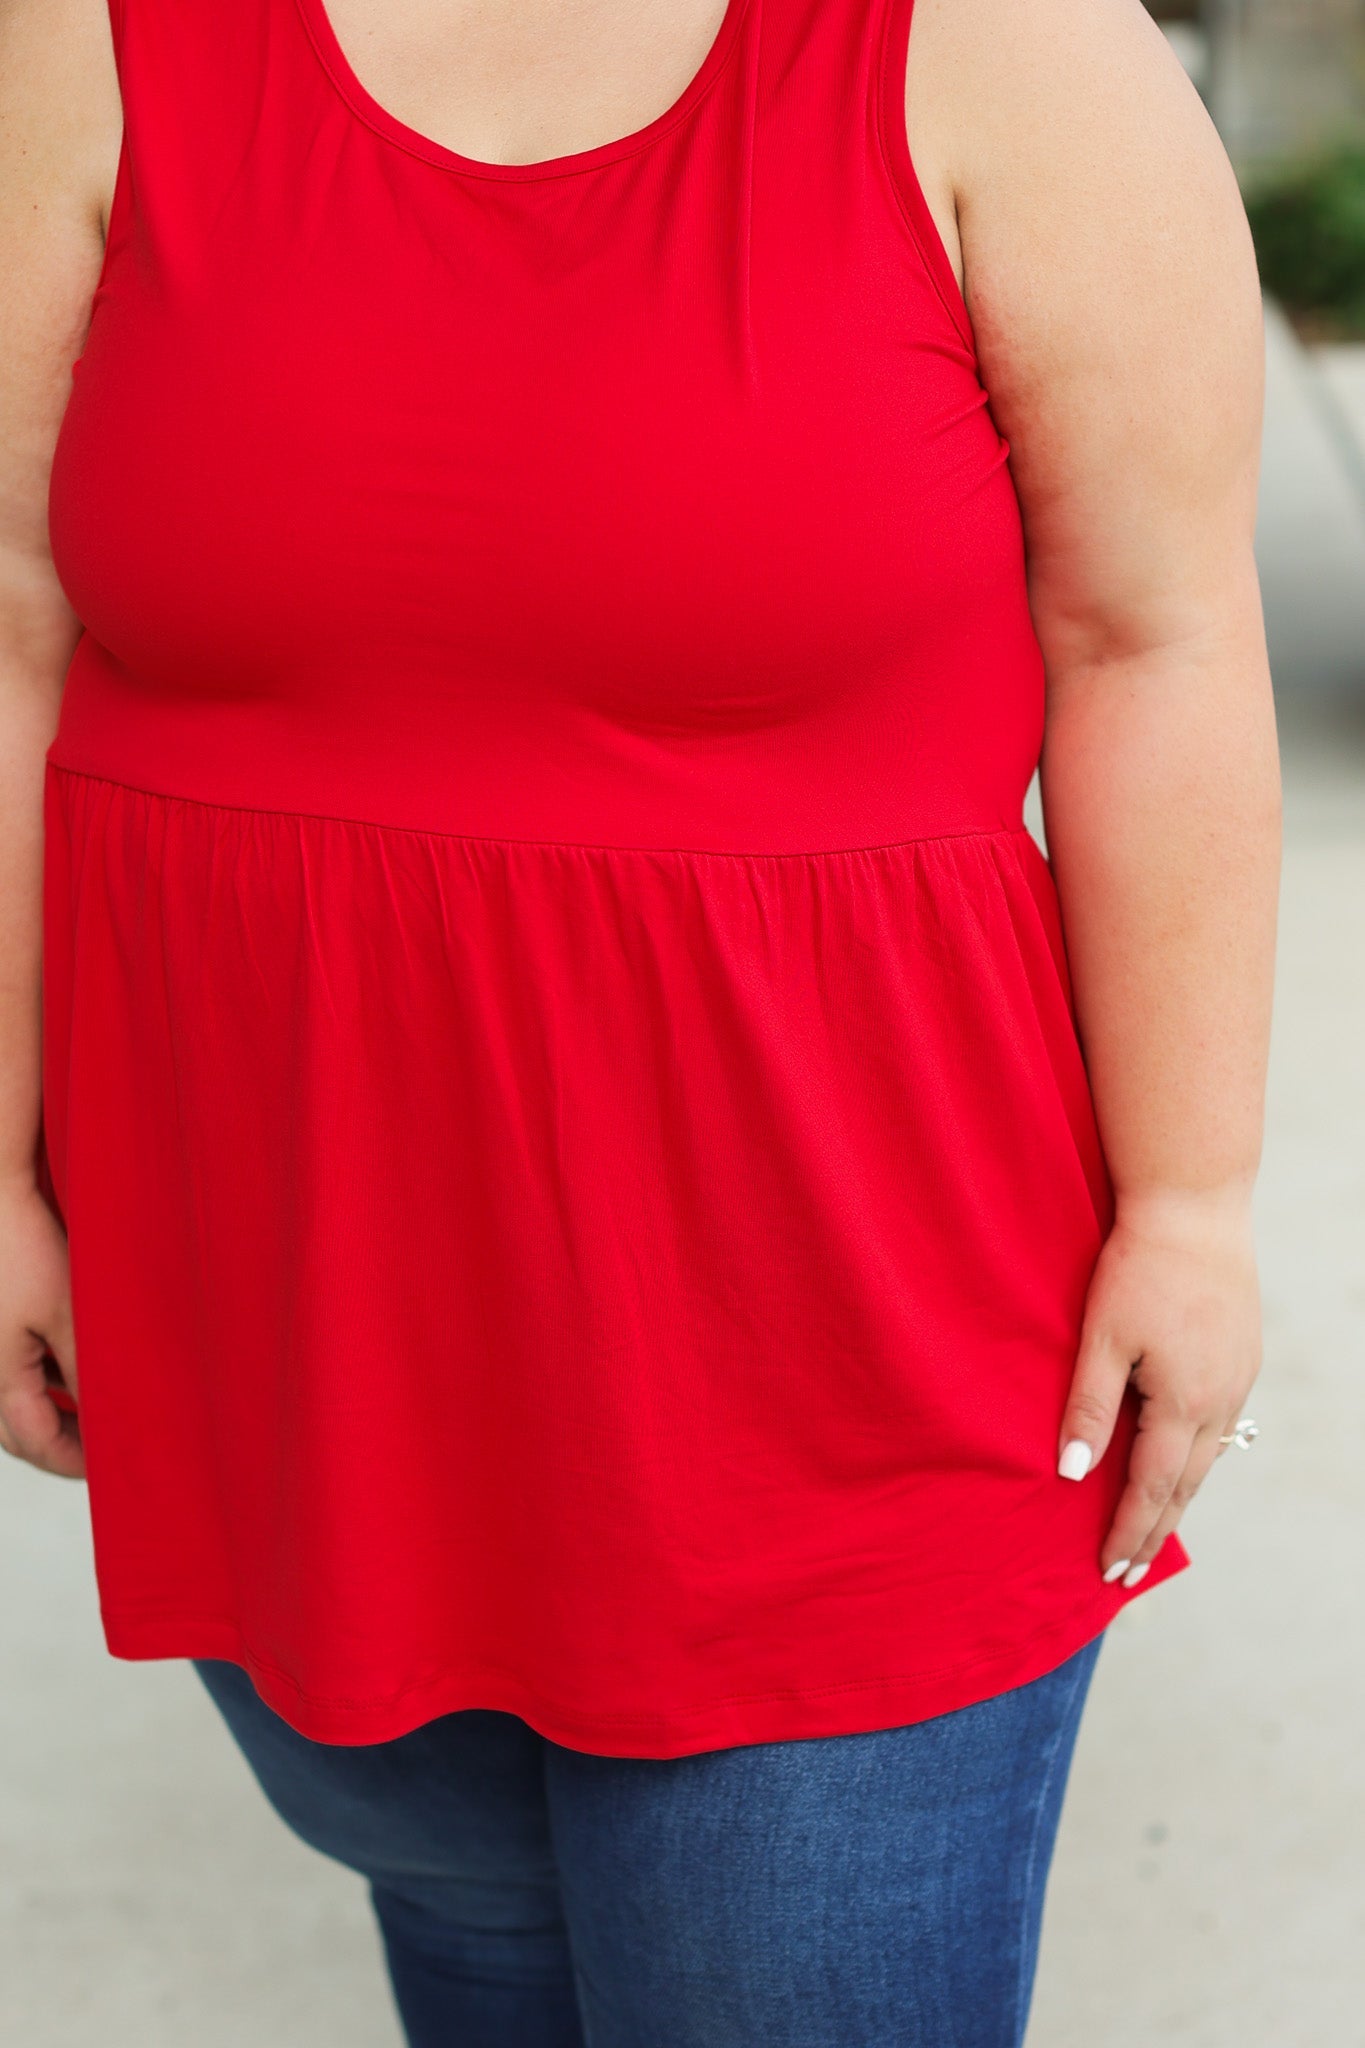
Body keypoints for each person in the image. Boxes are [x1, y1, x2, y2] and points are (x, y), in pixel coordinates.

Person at [0, 0, 1279, 2040]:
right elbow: (10, 620)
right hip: (302, 1330)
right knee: (476, 1933)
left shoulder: (1004, 53)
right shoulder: (87, 44)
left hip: (838, 1343)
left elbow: (1156, 635)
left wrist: (1191, 1199)